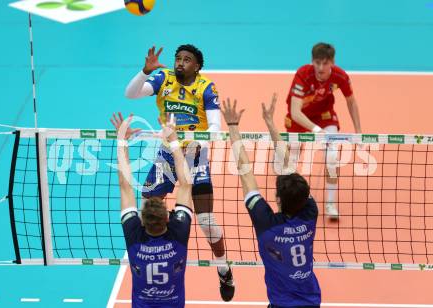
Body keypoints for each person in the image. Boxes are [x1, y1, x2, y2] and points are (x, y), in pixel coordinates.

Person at [125, 45, 234, 301]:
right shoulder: (164, 79)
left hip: (195, 155)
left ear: (197, 66)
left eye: (187, 60)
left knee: (206, 222)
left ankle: (223, 268)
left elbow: (215, 128)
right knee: (147, 213)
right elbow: (131, 94)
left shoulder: (207, 88)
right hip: (166, 156)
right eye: (178, 58)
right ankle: (150, 262)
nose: (180, 62)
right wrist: (144, 72)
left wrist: (196, 147)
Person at [221, 95, 321, 308]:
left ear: (278, 200)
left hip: (281, 303)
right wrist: (270, 123)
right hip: (311, 301)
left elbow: (245, 173)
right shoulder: (310, 212)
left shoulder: (268, 225)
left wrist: (232, 126)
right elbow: (288, 168)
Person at [112, 112, 193, 308]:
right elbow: (186, 185)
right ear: (167, 218)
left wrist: (122, 139)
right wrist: (173, 140)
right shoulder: (178, 234)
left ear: (142, 221)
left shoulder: (134, 235)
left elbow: (125, 186)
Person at [284, 42, 362, 219]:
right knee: (292, 157)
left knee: (332, 156)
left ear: (332, 62)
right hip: (300, 117)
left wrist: (359, 131)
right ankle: (289, 201)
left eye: (325, 63)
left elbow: (351, 101)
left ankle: (330, 204)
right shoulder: (303, 74)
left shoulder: (340, 76)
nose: (320, 67)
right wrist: (315, 130)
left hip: (324, 115)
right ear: (312, 61)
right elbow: (295, 112)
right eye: (317, 62)